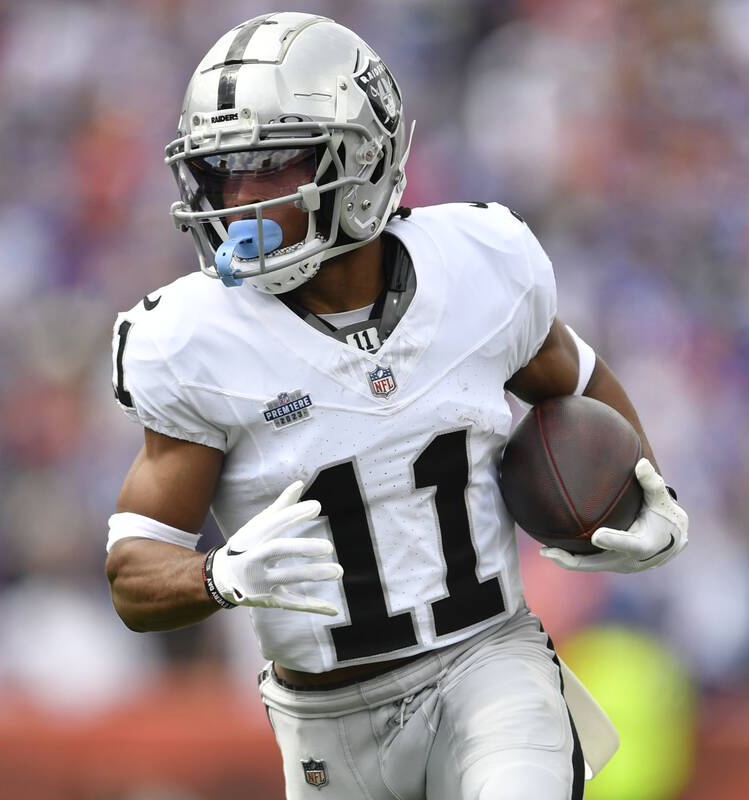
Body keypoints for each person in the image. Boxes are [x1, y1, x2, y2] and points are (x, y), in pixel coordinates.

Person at [104, 12, 688, 799]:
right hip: (325, 721)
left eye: (273, 166)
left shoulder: (482, 268)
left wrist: (641, 493)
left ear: (363, 158)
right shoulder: (194, 341)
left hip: (487, 668)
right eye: (224, 173)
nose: (239, 200)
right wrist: (216, 576)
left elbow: (578, 384)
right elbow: (133, 572)